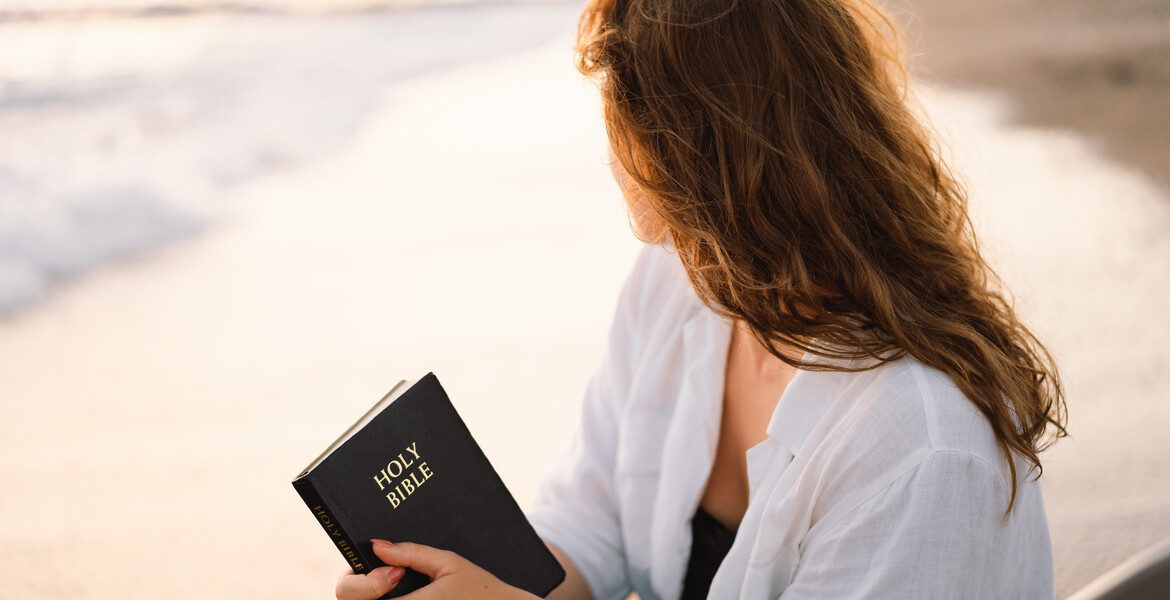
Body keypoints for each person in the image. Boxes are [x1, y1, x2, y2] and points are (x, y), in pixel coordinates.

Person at [335, 0, 1067, 598]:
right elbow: (590, 522)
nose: (611, 153)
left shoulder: (918, 446)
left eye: (620, 121)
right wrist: (467, 586)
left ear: (685, 154)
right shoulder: (682, 283)